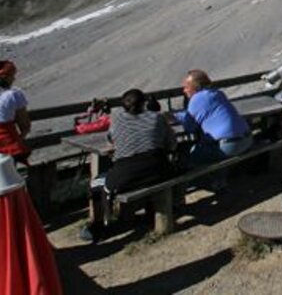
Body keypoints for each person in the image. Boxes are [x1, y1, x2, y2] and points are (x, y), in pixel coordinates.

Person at [81, 88, 175, 242]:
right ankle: (150, 211)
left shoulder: (117, 119)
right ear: (145, 103)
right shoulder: (157, 118)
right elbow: (172, 145)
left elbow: (111, 140)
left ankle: (99, 224)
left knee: (96, 183)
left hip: (126, 174)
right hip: (159, 170)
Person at [174, 70, 252, 166]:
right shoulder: (218, 93)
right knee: (211, 148)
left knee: (193, 153)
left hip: (230, 145)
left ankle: (209, 180)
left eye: (186, 87)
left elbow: (190, 127)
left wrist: (177, 116)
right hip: (247, 140)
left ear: (195, 87)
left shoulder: (196, 99)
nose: (184, 90)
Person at [0, 60, 31, 164]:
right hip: (7, 143)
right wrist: (19, 138)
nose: (14, 78)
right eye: (12, 75)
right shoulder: (14, 94)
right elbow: (25, 125)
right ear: (6, 77)